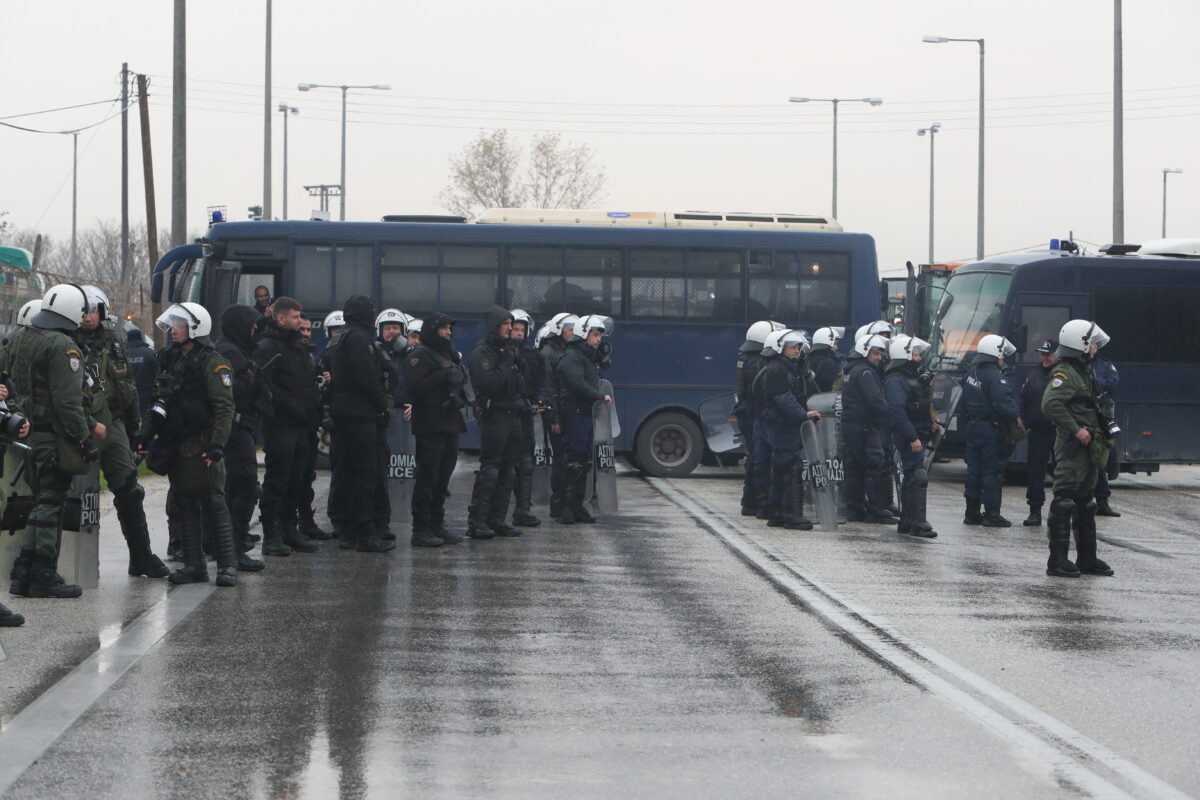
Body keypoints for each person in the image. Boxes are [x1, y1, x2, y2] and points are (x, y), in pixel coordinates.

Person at [140, 303, 240, 586]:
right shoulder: (169, 359)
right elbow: (159, 401)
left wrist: (218, 445)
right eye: (172, 325)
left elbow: (224, 408)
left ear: (195, 328)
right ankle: (194, 565)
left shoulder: (213, 362)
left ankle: (226, 566)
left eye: (179, 325)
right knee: (184, 502)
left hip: (203, 441)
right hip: (177, 441)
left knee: (214, 501)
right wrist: (144, 436)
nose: (173, 330)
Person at [76, 285, 169, 579]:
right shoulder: (62, 342)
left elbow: (127, 387)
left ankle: (141, 557)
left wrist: (134, 431)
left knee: (129, 489)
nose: (88, 317)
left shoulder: (114, 343)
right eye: (83, 311)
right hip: (77, 423)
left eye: (94, 311)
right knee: (63, 490)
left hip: (113, 422)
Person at [2, 284, 77, 600]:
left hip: (26, 427)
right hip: (47, 431)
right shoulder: (59, 345)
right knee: (50, 500)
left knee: (40, 500)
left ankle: (25, 568)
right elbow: (68, 400)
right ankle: (41, 572)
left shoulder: (18, 341)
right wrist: (83, 437)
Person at [1041, 320, 1116, 578]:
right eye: (1092, 342)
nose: (1095, 346)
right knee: (1064, 500)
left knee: (1086, 502)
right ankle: (1057, 561)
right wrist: (1076, 429)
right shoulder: (1066, 373)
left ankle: (1087, 558)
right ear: (1080, 344)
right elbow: (1050, 405)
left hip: (1089, 446)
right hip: (1074, 446)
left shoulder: (1084, 370)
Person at [254, 296, 321, 555]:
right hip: (281, 425)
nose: (300, 322)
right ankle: (271, 535)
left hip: (302, 426)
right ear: (281, 318)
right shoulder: (269, 347)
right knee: (277, 480)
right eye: (295, 317)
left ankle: (290, 531)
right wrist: (290, 407)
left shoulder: (297, 348)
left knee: (297, 479)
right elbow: (265, 385)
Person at [328, 296, 394, 552]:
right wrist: (381, 406)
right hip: (359, 414)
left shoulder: (343, 338)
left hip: (345, 412)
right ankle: (365, 533)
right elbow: (366, 378)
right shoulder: (358, 339)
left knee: (348, 472)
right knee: (365, 473)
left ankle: (350, 530)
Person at [403, 312, 469, 547]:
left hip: (450, 421)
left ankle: (436, 525)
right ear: (433, 330)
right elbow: (415, 386)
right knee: (428, 478)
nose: (449, 333)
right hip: (430, 423)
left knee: (442, 479)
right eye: (444, 329)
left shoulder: (448, 353)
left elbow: (460, 377)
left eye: (450, 329)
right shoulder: (419, 354)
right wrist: (445, 375)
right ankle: (420, 529)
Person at [215, 303, 270, 567]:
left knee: (237, 488)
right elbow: (230, 391)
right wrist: (251, 376)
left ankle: (231, 546)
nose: (255, 329)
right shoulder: (229, 352)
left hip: (241, 428)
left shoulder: (239, 350)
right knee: (245, 486)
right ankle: (233, 549)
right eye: (251, 324)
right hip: (235, 432)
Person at [751, 328, 819, 529]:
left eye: (798, 346)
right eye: (792, 346)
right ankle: (790, 513)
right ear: (779, 348)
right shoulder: (778, 369)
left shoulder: (781, 367)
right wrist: (803, 415)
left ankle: (778, 512)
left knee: (781, 468)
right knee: (789, 467)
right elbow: (784, 399)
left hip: (778, 423)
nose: (797, 350)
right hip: (781, 425)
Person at [466, 305, 524, 539]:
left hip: (513, 414)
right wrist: (506, 364)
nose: (510, 329)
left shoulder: (508, 351)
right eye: (506, 324)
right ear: (495, 326)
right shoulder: (483, 352)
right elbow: (488, 384)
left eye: (511, 325)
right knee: (490, 469)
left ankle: (497, 519)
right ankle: (478, 521)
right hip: (495, 415)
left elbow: (520, 383)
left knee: (509, 470)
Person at [555, 314, 614, 525]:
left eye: (600, 335)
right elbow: (577, 383)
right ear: (583, 334)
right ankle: (565, 509)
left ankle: (577, 506)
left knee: (584, 461)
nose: (599, 339)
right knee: (572, 462)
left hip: (585, 415)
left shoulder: (588, 357)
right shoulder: (572, 357)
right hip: (574, 415)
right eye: (595, 335)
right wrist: (599, 396)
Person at [961, 334, 1021, 527]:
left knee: (974, 471)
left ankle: (971, 512)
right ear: (995, 354)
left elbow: (963, 403)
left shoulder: (970, 373)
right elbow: (1004, 405)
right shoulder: (996, 377)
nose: (1003, 358)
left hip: (973, 427)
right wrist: (1016, 417)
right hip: (991, 429)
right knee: (992, 472)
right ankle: (992, 514)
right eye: (1002, 354)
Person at [885, 335, 938, 538]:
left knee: (911, 477)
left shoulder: (909, 378)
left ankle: (908, 520)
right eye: (915, 354)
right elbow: (897, 411)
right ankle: (917, 521)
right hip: (911, 435)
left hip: (918, 432)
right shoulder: (896, 380)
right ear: (904, 355)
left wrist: (931, 422)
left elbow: (919, 405)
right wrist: (912, 437)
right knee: (917, 475)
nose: (918, 358)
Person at [841, 334, 896, 524]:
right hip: (864, 425)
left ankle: (855, 508)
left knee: (856, 466)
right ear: (865, 351)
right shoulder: (865, 372)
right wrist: (891, 416)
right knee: (874, 463)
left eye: (881, 354)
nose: (879, 357)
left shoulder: (852, 370)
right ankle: (875, 508)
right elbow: (875, 400)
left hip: (854, 424)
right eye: (875, 353)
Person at [734, 320, 785, 517]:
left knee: (753, 458)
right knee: (760, 459)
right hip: (755, 414)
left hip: (747, 412)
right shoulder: (757, 361)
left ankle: (750, 502)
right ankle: (759, 503)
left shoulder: (745, 357)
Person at [537, 312, 578, 520]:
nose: (573, 331)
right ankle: (558, 504)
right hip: (557, 415)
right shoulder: (548, 353)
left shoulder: (568, 350)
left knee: (570, 458)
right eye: (569, 328)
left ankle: (567, 504)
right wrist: (553, 418)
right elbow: (548, 388)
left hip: (568, 412)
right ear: (559, 330)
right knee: (560, 459)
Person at [296, 315, 332, 541]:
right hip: (292, 425)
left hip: (309, 424)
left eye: (309, 330)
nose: (307, 334)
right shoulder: (285, 353)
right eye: (302, 330)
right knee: (291, 479)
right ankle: (286, 528)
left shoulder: (309, 357)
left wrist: (324, 381)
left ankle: (306, 522)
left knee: (306, 477)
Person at [510, 309, 546, 527]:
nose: (519, 333)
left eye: (522, 330)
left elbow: (542, 383)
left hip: (525, 415)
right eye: (515, 329)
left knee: (526, 462)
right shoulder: (498, 353)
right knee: (502, 466)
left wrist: (539, 401)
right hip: (504, 415)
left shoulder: (535, 357)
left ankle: (523, 509)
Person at [1019, 340, 1059, 527]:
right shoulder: (1033, 375)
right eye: (1042, 353)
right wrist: (1025, 423)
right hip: (1038, 432)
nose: (1044, 357)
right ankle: (1034, 511)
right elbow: (1024, 400)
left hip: (1060, 432)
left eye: (1047, 354)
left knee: (1063, 473)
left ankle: (1061, 510)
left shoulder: (1063, 375)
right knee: (1035, 472)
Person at [318, 310, 345, 536]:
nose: (339, 334)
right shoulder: (324, 358)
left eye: (342, 330)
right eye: (335, 330)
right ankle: (336, 517)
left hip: (350, 421)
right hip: (334, 420)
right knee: (339, 472)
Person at [1091, 355, 1121, 517]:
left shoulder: (1105, 364)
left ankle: (1102, 501)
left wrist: (1097, 384)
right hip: (1083, 417)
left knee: (1101, 459)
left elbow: (1113, 383)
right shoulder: (1074, 364)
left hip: (1101, 417)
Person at [125, 327, 157, 417]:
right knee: (145, 417)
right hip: (147, 393)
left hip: (127, 393)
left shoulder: (123, 354)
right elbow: (156, 372)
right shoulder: (150, 353)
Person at [807, 326, 846, 393]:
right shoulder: (828, 364)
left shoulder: (806, 359)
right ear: (828, 343)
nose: (836, 348)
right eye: (835, 344)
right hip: (823, 402)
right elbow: (834, 390)